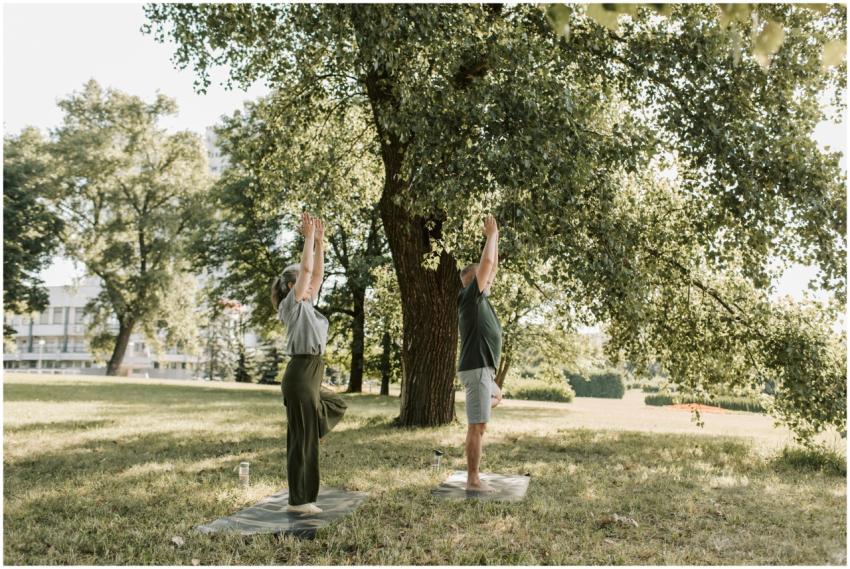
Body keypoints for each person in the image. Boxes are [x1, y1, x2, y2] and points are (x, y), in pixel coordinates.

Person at [270, 212, 347, 514]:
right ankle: (300, 501)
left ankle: (300, 497)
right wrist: (307, 240)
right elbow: (307, 271)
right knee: (303, 442)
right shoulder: (292, 306)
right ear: (292, 287)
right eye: (303, 282)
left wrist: (321, 243)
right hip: (301, 372)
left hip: (313, 373)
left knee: (336, 405)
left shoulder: (309, 305)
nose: (312, 283)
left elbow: (315, 275)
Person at [457, 214, 503, 492]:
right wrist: (491, 236)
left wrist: (495, 241)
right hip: (476, 369)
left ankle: (489, 396)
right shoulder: (470, 296)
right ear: (474, 280)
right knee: (478, 426)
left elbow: (491, 265)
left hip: (482, 369)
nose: (491, 278)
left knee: (491, 405)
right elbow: (486, 264)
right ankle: (473, 479)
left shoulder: (479, 299)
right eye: (485, 277)